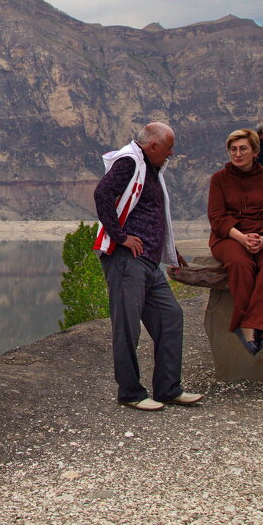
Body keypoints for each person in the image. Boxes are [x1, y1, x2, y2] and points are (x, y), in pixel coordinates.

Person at [93, 122, 203, 410]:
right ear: (153, 146)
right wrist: (120, 237)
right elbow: (102, 194)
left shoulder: (150, 169)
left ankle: (168, 389)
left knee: (171, 316)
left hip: (150, 261)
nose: (171, 153)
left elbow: (153, 215)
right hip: (127, 261)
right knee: (127, 327)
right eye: (168, 147)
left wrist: (170, 249)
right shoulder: (129, 162)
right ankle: (130, 393)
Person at [208, 128, 263, 354]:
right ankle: (252, 327)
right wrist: (241, 237)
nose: (237, 154)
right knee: (239, 263)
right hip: (230, 236)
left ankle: (250, 324)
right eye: (233, 149)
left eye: (243, 148)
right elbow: (217, 217)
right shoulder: (219, 180)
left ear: (254, 151)